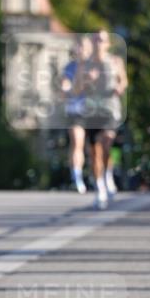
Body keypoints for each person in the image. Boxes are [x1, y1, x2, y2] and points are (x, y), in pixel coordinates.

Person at [74, 29, 128, 210]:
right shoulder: (84, 64)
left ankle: (107, 174)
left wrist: (119, 87)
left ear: (107, 44)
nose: (98, 43)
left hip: (110, 110)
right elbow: (76, 89)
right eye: (95, 40)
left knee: (106, 142)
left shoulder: (115, 61)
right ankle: (100, 187)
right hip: (91, 112)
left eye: (101, 40)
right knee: (94, 152)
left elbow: (124, 81)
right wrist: (86, 80)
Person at [60, 35, 91, 193]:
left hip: (94, 111)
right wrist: (65, 88)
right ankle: (77, 177)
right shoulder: (70, 67)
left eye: (83, 47)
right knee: (77, 142)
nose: (80, 50)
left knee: (95, 147)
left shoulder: (95, 66)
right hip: (75, 111)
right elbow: (65, 84)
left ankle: (102, 177)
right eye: (78, 47)